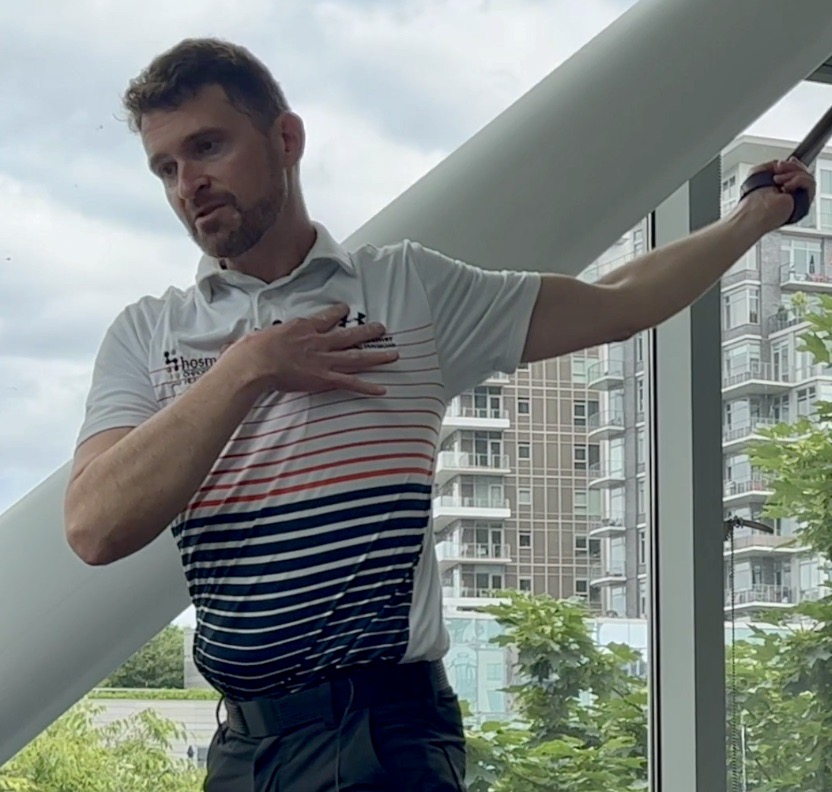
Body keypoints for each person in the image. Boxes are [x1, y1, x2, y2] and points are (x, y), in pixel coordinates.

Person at [63, 37, 815, 792]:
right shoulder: (146, 334)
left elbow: (621, 305)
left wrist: (751, 218)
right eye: (166, 167)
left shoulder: (408, 292)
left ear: (285, 139)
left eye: (208, 146)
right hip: (242, 748)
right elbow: (95, 527)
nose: (189, 182)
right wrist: (248, 368)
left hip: (381, 736)